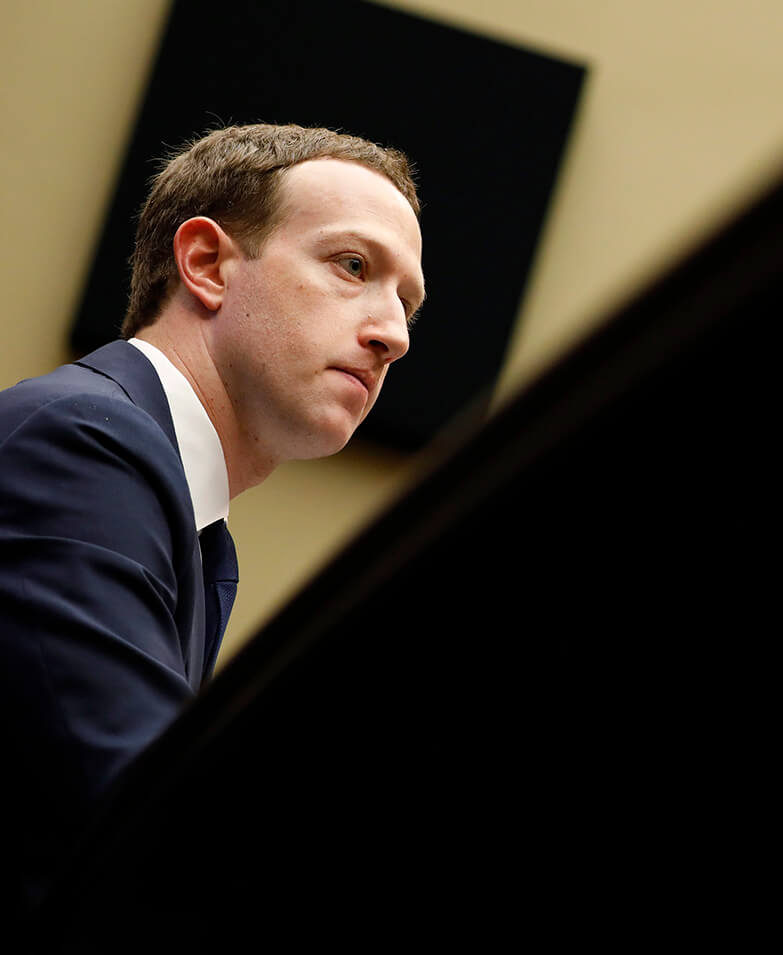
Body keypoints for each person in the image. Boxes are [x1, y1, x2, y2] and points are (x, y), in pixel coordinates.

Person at [0, 123, 425, 924]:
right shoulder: (84, 441)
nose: (393, 335)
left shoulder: (202, 539)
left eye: (406, 303)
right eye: (354, 266)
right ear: (206, 263)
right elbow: (151, 826)